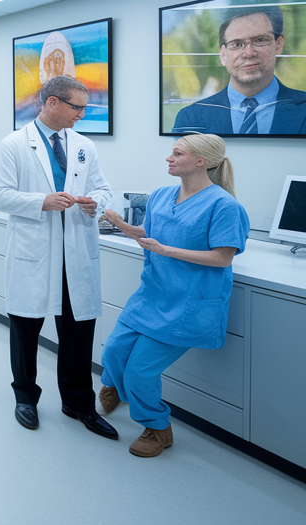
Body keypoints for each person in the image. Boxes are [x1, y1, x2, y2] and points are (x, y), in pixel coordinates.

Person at [99, 134, 248, 457]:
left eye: (177, 153)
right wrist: (119, 222)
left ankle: (157, 427)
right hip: (151, 295)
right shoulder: (161, 196)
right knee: (112, 352)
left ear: (200, 162)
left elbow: (223, 257)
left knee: (140, 371)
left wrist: (166, 250)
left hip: (188, 304)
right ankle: (115, 385)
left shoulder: (224, 206)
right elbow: (148, 235)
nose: (169, 158)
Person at [0, 74, 116, 438]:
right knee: (26, 328)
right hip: (34, 250)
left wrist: (97, 203)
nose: (82, 114)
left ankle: (78, 402)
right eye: (77, 107)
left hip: (75, 250)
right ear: (52, 103)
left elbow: (103, 187)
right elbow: (0, 194)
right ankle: (25, 397)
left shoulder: (83, 146)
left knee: (78, 331)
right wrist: (41, 202)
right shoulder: (14, 144)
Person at [172, 6, 306, 135]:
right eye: (237, 44)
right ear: (223, 55)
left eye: (260, 40)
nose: (248, 53)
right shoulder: (190, 118)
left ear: (278, 45)